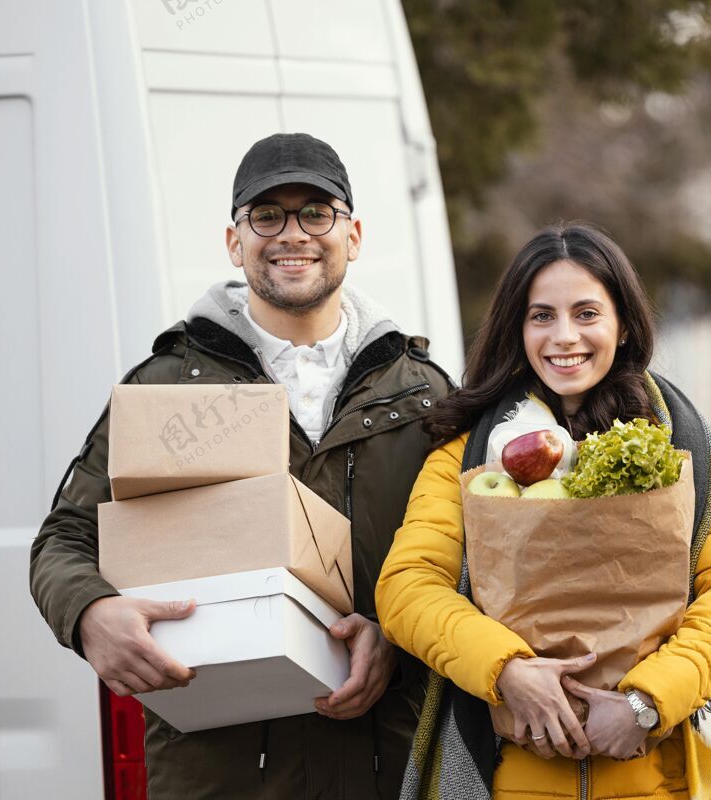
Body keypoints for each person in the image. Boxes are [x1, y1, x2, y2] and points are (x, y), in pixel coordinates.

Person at [30, 132, 452, 799]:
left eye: (316, 213)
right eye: (267, 216)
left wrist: (397, 637)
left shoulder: (425, 395)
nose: (293, 235)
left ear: (355, 234)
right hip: (222, 779)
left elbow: (469, 568)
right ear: (235, 241)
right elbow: (63, 541)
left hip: (385, 768)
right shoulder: (166, 386)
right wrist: (89, 613)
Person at [375, 223, 711, 800]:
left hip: (652, 779)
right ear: (518, 326)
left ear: (624, 323)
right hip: (502, 776)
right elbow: (407, 586)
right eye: (542, 316)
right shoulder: (470, 447)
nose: (564, 337)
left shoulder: (677, 439)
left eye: (587, 314)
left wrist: (646, 702)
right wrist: (506, 672)